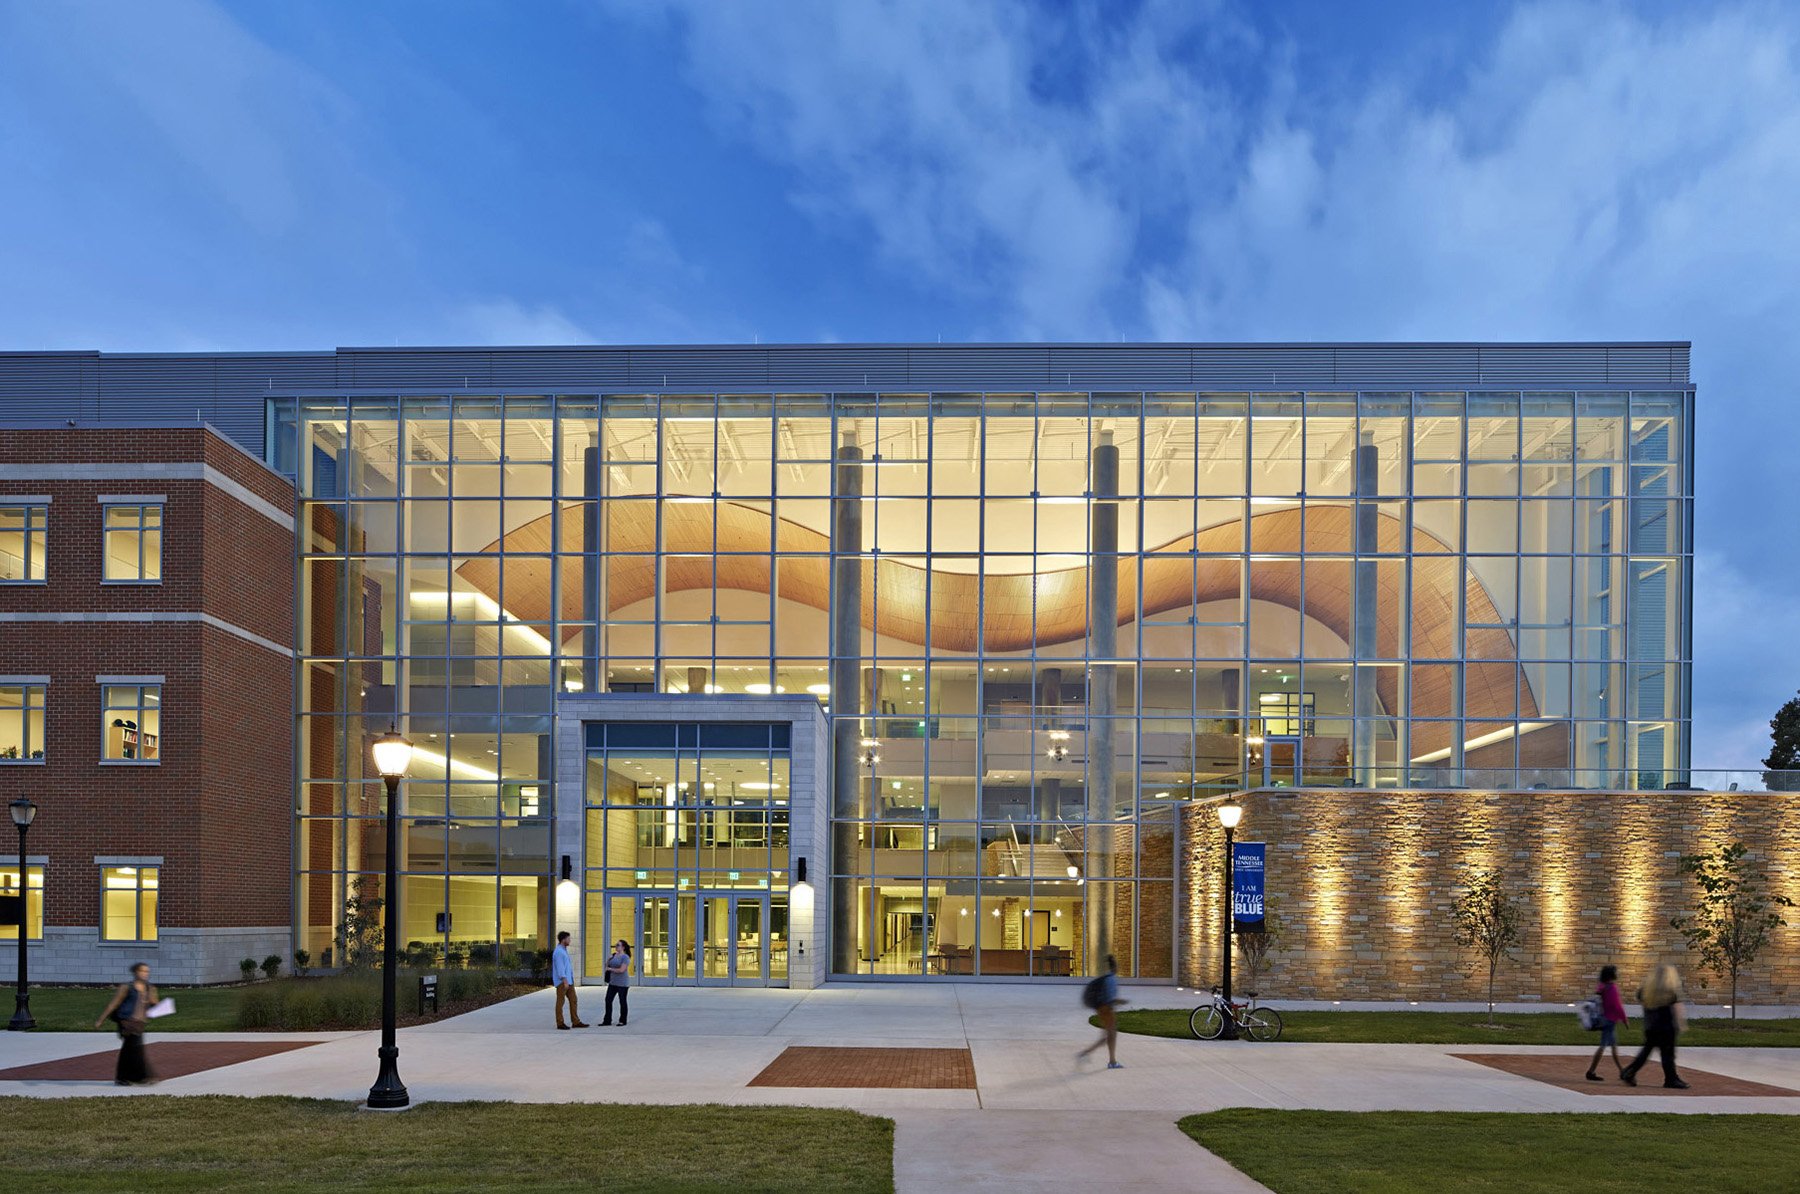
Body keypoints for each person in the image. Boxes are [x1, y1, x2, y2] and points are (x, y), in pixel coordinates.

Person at [1622, 963, 1689, 1089]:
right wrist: (1681, 1024)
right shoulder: (1670, 990)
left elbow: (1641, 1000)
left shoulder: (1646, 990)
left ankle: (1629, 1072)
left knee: (1646, 1051)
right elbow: (1677, 1006)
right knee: (1667, 1054)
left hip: (1651, 1026)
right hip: (1666, 1026)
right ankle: (1671, 1079)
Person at [96, 962, 158, 1086]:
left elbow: (154, 1003)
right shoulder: (127, 987)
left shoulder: (149, 988)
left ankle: (124, 1077)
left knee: (129, 1049)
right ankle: (141, 1076)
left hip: (139, 1023)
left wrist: (157, 1004)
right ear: (135, 972)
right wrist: (101, 1020)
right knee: (135, 1048)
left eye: (147, 971)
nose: (145, 974)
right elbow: (114, 1004)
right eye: (142, 971)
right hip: (126, 1022)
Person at [1077, 954, 1128, 1070]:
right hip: (1106, 1009)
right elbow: (1111, 999)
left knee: (1106, 1036)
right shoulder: (1111, 980)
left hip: (1101, 1008)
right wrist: (1122, 1001)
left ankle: (1085, 1053)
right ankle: (1112, 1061)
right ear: (1115, 967)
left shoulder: (1107, 978)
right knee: (1112, 1035)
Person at [1586, 964, 1629, 1081]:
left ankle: (1621, 1071)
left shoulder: (1602, 987)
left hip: (1604, 1019)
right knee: (1603, 1046)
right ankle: (1591, 1071)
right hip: (1610, 1020)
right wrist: (1625, 1020)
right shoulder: (1612, 988)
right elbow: (1617, 1006)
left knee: (1613, 1046)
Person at [551, 931, 587, 1029]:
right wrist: (565, 980)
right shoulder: (559, 952)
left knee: (574, 1000)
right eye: (568, 939)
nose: (570, 940)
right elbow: (560, 968)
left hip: (569, 981)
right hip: (562, 982)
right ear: (563, 940)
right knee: (560, 1002)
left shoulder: (563, 950)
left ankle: (575, 1021)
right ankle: (560, 1023)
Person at [600, 939, 632, 1026]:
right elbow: (607, 966)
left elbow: (622, 970)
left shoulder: (625, 957)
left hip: (622, 983)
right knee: (608, 1000)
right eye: (616, 945)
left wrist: (611, 969)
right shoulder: (614, 955)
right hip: (613, 982)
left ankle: (622, 1020)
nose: (616, 946)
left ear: (623, 947)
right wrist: (608, 960)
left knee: (622, 1001)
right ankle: (607, 1020)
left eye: (618, 945)